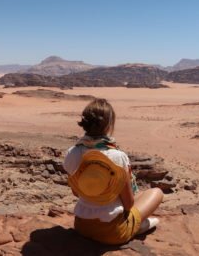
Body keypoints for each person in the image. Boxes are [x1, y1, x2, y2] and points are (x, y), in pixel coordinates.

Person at [63, 98, 163, 245]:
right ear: (109, 124)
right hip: (112, 232)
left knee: (142, 194)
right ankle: (134, 228)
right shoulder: (117, 157)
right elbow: (128, 204)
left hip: (81, 225)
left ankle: (136, 225)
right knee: (156, 193)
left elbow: (76, 193)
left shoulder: (72, 153)